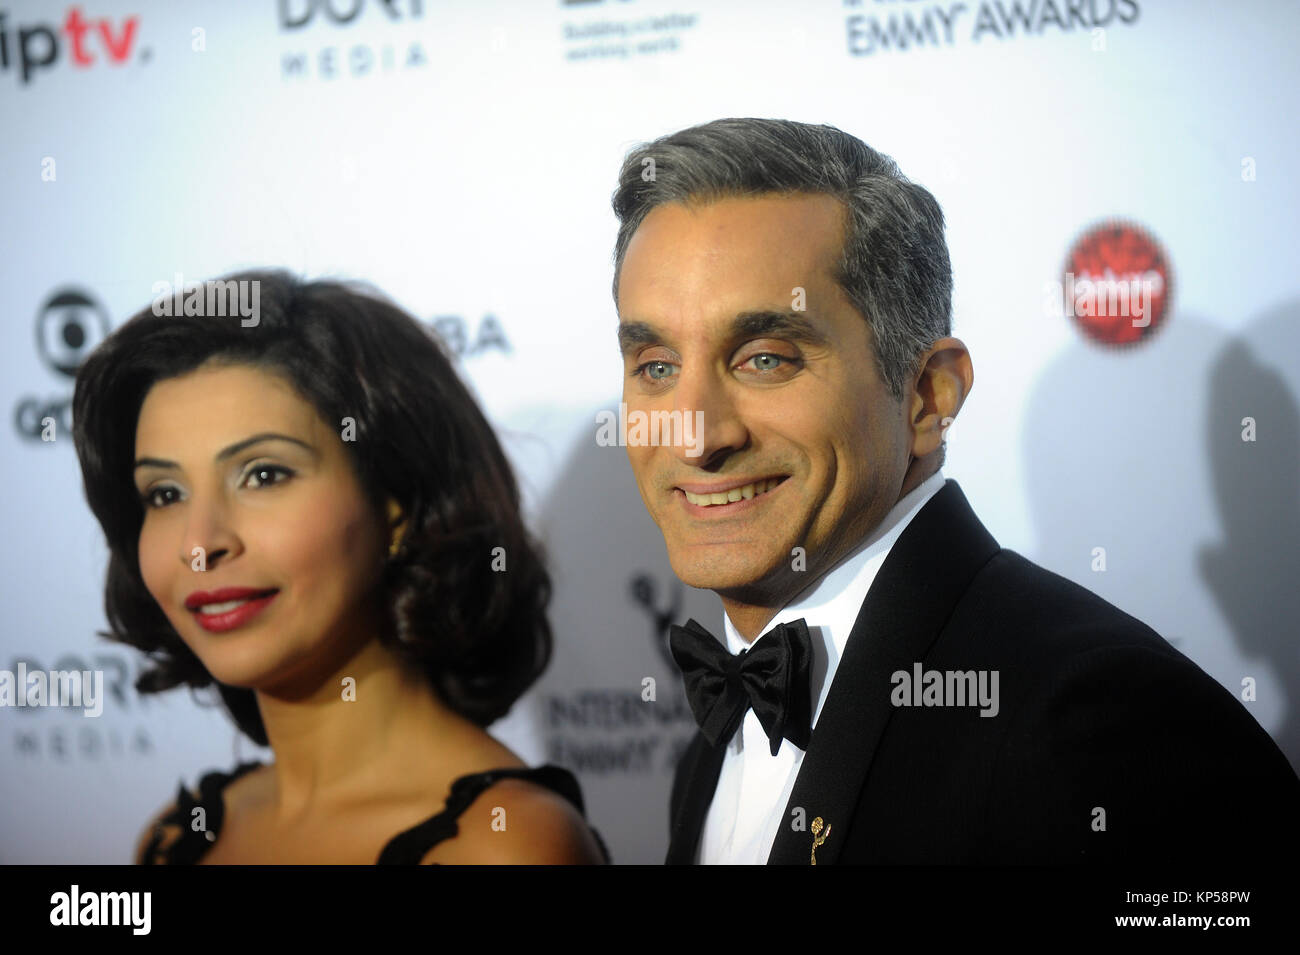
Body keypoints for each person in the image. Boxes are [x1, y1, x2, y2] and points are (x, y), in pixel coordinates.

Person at [608, 117, 1300, 865]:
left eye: (766, 358)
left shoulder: (1103, 722)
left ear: (929, 396)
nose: (695, 434)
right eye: (655, 367)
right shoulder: (712, 746)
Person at [71, 271, 608, 864]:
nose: (200, 545)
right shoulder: (179, 836)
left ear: (397, 507)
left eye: (264, 475)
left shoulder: (503, 847)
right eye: (165, 493)